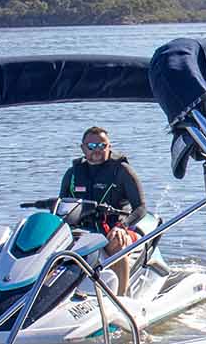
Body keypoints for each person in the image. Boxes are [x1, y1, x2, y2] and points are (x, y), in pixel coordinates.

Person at [60, 126, 148, 295]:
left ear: (109, 146)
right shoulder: (72, 174)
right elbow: (61, 207)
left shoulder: (122, 171)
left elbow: (141, 208)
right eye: (92, 147)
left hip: (116, 229)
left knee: (116, 241)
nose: (97, 150)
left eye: (102, 146)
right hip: (84, 231)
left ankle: (121, 296)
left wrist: (122, 226)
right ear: (83, 148)